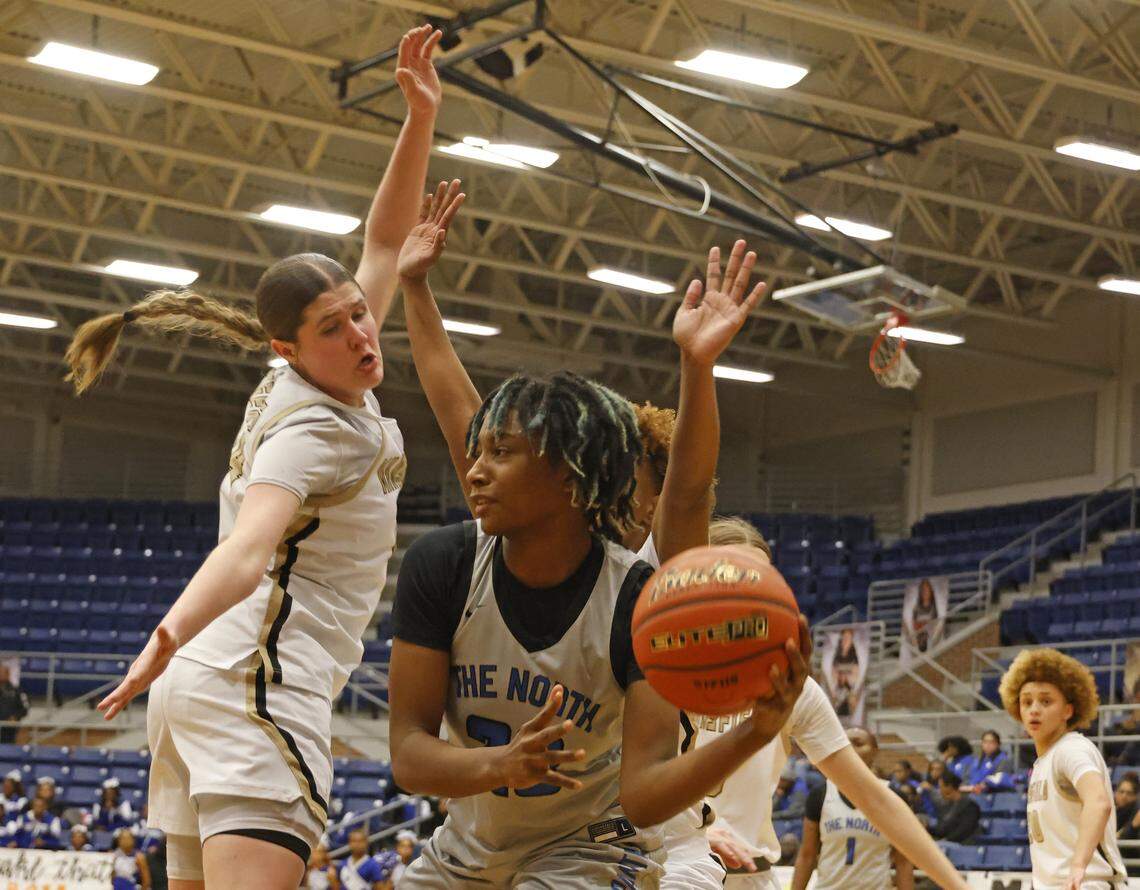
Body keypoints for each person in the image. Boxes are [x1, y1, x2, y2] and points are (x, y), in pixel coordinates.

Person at [63, 25, 443, 890]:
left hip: (208, 684)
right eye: (334, 328)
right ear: (288, 346)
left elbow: (381, 247)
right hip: (253, 679)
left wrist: (419, 118)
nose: (360, 334)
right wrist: (163, 638)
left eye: (358, 314)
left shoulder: (297, 376)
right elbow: (246, 551)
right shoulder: (316, 430)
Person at [392, 192, 818, 886]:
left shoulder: (648, 589)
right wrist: (414, 288)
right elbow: (408, 754)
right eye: (483, 452)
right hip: (471, 846)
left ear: (574, 476)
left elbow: (686, 491)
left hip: (609, 841)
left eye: (501, 453)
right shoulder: (452, 557)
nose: (475, 469)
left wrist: (698, 367)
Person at [671, 518, 969, 890]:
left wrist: (959, 886)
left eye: (758, 579)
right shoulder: (655, 675)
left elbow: (876, 799)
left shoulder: (794, 688)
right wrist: (690, 832)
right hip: (672, 868)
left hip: (752, 877)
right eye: (730, 575)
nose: (745, 590)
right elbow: (622, 792)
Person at [998, 647, 1127, 889]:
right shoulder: (1042, 762)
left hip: (1087, 883)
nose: (1034, 709)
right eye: (1027, 702)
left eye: (1046, 701)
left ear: (1068, 710)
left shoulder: (1071, 749)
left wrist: (1078, 866)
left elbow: (1099, 803)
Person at [791, 727, 915, 890]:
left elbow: (903, 861)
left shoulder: (894, 796)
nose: (850, 750)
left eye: (858, 743)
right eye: (844, 745)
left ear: (875, 751)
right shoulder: (820, 794)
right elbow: (807, 855)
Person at [927, 773, 980, 844]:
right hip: (946, 843)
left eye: (940, 787)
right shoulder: (947, 806)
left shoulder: (969, 806)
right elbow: (942, 830)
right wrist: (927, 828)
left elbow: (965, 830)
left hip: (963, 845)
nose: (939, 790)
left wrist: (946, 840)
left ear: (949, 787)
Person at [0, 665, 29, 744]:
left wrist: (15, 717)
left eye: (1, 672)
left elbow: (25, 709)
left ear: (8, 674)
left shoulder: (17, 691)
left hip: (9, 728)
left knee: (7, 748)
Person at [1115, 773, 1139, 838]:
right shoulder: (1112, 811)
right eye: (1121, 791)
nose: (1124, 796)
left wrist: (1133, 826)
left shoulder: (1137, 813)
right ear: (1116, 793)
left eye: (1129, 793)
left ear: (1135, 796)